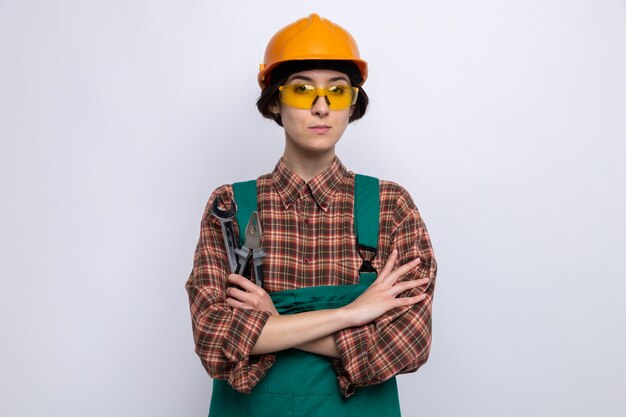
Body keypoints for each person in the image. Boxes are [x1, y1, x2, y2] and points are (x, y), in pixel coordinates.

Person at [185, 13, 437, 417]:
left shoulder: (391, 206)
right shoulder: (230, 208)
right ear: (275, 101)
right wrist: (352, 315)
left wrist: (273, 324)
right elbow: (213, 339)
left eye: (337, 92)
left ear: (352, 104)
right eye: (303, 91)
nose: (321, 107)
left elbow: (408, 344)